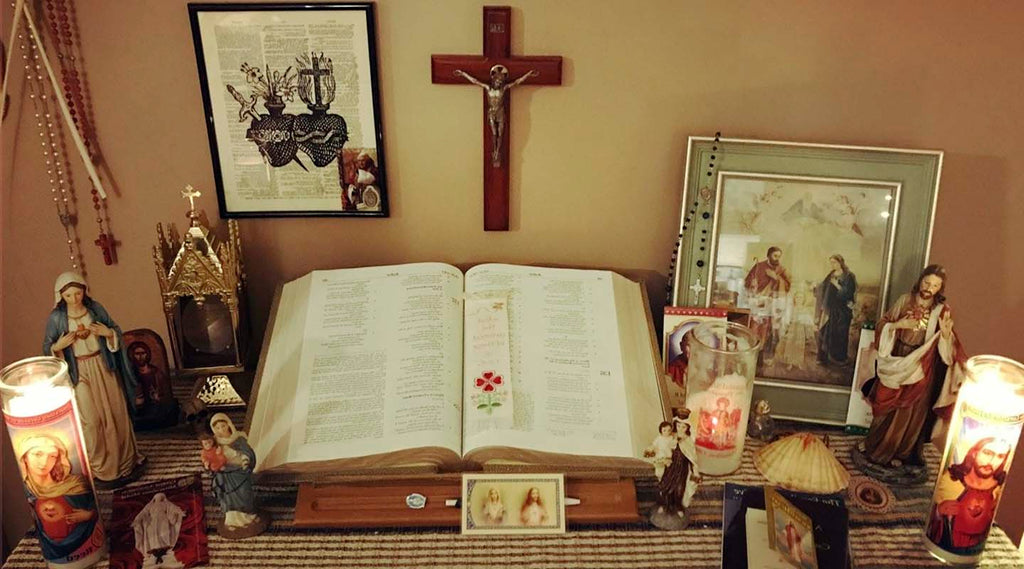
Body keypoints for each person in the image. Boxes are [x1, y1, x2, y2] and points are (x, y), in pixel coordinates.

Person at [42, 272, 145, 485]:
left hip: (102, 364)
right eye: (68, 295)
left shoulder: (95, 309)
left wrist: (108, 333)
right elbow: (48, 347)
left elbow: (114, 329)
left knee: (116, 412)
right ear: (60, 296)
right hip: (78, 371)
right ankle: (101, 467)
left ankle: (126, 462)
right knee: (91, 421)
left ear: (84, 291)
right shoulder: (57, 318)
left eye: (77, 293)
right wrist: (57, 348)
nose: (74, 299)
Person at [860, 264, 966, 469]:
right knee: (886, 404)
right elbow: (884, 324)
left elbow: (947, 352)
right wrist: (899, 326)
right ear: (920, 281)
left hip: (922, 365)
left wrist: (945, 335)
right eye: (927, 282)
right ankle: (876, 447)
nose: (929, 288)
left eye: (935, 285)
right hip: (897, 357)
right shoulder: (904, 301)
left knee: (911, 411)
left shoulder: (941, 311)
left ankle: (902, 451)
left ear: (940, 289)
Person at [17, 434, 99, 560]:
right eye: (37, 454)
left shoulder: (75, 484)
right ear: (25, 457)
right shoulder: (29, 490)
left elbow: (94, 508)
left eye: (52, 456)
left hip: (86, 545)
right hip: (52, 552)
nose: (44, 462)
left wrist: (89, 515)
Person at [927, 437, 1010, 551]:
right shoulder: (951, 480)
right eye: (987, 453)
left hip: (976, 548)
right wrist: (939, 511)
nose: (991, 462)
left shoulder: (998, 488)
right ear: (975, 453)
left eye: (1000, 456)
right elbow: (931, 517)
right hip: (947, 546)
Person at [453, 64, 539, 167]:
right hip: (491, 113)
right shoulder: (488, 88)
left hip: (500, 112)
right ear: (494, 80)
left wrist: (528, 74)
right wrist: (463, 74)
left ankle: (498, 151)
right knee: (494, 133)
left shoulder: (503, 89)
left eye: (500, 82)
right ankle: (495, 150)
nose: (499, 83)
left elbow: (516, 82)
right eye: (497, 81)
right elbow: (475, 81)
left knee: (500, 133)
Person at [209, 413, 261, 533]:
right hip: (226, 475)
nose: (221, 429)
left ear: (228, 425)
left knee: (244, 493)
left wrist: (246, 459)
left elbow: (248, 452)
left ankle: (249, 516)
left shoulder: (238, 439)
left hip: (240, 472)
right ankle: (231, 521)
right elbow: (209, 458)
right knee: (229, 497)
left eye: (223, 426)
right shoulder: (214, 443)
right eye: (217, 428)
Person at [743, 246, 792, 361]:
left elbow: (787, 286)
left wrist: (776, 277)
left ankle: (765, 355)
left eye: (779, 256)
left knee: (770, 330)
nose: (777, 258)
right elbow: (747, 282)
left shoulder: (782, 269)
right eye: (775, 256)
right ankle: (752, 354)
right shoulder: (759, 266)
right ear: (769, 255)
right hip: (758, 302)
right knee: (755, 328)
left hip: (773, 304)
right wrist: (752, 283)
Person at [815, 254, 857, 365]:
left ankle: (840, 359)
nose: (832, 265)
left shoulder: (849, 276)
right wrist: (816, 287)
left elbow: (848, 293)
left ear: (840, 262)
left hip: (842, 310)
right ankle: (824, 358)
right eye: (831, 262)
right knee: (826, 332)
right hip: (830, 309)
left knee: (840, 334)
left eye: (834, 262)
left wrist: (837, 285)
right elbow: (823, 288)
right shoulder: (831, 275)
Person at [132, 493, 186, 568]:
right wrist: (137, 520)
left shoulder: (166, 503)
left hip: (163, 521)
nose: (159, 498)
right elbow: (142, 513)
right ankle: (156, 553)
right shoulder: (149, 505)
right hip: (152, 524)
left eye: (160, 497)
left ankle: (163, 551)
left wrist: (179, 512)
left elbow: (174, 509)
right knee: (153, 538)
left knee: (163, 535)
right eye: (157, 497)